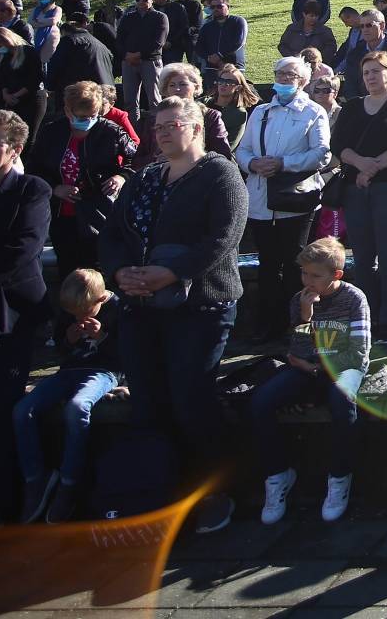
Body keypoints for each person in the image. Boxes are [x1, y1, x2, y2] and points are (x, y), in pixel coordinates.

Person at [103, 96, 248, 534]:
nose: (163, 131)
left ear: (196, 127)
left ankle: (216, 491)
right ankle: (159, 494)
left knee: (191, 399)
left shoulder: (220, 173)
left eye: (173, 124)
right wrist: (119, 272)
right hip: (142, 307)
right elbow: (112, 233)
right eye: (158, 126)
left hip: (200, 305)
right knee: (148, 402)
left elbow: (223, 237)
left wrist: (172, 272)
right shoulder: (145, 177)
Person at [249, 236, 368, 526]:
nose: (308, 280)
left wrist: (316, 369)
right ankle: (278, 475)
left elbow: (358, 353)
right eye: (304, 273)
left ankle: (339, 478)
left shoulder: (354, 299)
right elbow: (297, 352)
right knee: (260, 402)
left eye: (316, 275)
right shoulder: (300, 300)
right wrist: (305, 316)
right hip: (307, 368)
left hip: (340, 370)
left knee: (342, 403)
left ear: (336, 275)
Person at [0, 109, 52, 524]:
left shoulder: (31, 190)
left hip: (10, 313)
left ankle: (5, 502)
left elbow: (22, 248)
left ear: (15, 150)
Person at [15, 267, 124, 524]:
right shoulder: (72, 308)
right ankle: (35, 479)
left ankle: (70, 481)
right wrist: (68, 339)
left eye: (84, 312)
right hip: (69, 370)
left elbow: (130, 353)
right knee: (22, 411)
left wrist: (103, 337)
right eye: (72, 314)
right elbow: (61, 350)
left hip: (104, 371)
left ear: (100, 300)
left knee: (76, 407)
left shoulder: (119, 308)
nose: (78, 317)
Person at [236, 56, 331, 343]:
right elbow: (243, 150)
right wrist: (253, 164)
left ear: (302, 80)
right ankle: (268, 323)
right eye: (279, 73)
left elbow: (321, 153)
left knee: (294, 263)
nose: (283, 78)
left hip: (296, 199)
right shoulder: (261, 112)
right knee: (267, 264)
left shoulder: (314, 111)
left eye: (290, 74)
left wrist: (283, 163)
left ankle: (296, 323)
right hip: (261, 198)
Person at [330, 51, 387, 344]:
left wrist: (372, 168)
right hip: (356, 187)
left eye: (376, 71)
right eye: (366, 72)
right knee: (364, 257)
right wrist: (360, 164)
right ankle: (367, 316)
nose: (370, 76)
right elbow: (338, 143)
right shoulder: (353, 106)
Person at [29, 81, 137, 278]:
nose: (86, 120)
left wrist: (121, 176)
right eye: (79, 116)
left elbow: (136, 157)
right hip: (61, 211)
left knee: (95, 266)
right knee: (67, 264)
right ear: (67, 110)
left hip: (97, 208)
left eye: (91, 116)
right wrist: (54, 188)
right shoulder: (51, 131)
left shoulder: (111, 130)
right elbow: (34, 167)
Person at [133, 62, 232, 167]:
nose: (177, 89)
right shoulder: (154, 119)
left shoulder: (210, 116)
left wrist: (189, 158)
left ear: (196, 86)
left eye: (183, 84)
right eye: (172, 85)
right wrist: (156, 159)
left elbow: (223, 155)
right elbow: (137, 161)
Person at [0, 27, 45, 156]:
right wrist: (5, 93)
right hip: (12, 99)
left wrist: (16, 95)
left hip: (31, 99)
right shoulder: (5, 56)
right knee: (12, 134)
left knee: (29, 136)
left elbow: (35, 78)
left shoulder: (28, 52)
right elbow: (2, 77)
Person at [114, 0, 167, 122]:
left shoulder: (160, 17)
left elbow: (158, 42)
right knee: (130, 101)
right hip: (128, 62)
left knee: (154, 100)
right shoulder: (128, 17)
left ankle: (156, 131)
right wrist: (126, 55)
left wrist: (139, 54)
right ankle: (133, 131)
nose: (141, 2)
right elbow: (119, 39)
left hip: (150, 61)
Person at [339, 10, 387, 101]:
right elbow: (350, 86)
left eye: (369, 25)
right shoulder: (355, 53)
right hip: (362, 106)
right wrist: (362, 105)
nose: (365, 30)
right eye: (362, 26)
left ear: (382, 25)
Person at [196, 0, 248, 90]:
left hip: (234, 65)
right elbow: (199, 46)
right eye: (213, 7)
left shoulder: (238, 21)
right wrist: (208, 57)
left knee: (236, 94)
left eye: (219, 6)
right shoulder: (207, 26)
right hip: (212, 67)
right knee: (211, 96)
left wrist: (219, 55)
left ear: (227, 7)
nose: (216, 9)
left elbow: (239, 42)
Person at [208, 62, 260, 149]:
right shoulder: (202, 104)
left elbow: (228, 146)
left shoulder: (238, 114)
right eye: (221, 80)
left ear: (238, 87)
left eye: (229, 82)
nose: (223, 84)